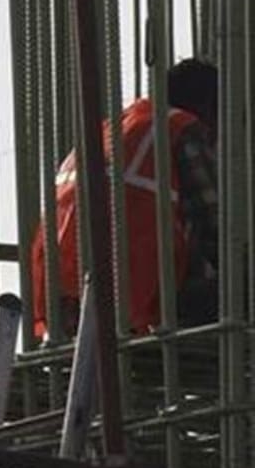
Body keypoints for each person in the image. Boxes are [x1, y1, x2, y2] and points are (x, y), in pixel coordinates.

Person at [31, 59, 220, 338]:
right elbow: (214, 225)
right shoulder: (180, 128)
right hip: (135, 291)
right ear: (208, 105)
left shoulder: (105, 132)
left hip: (62, 300)